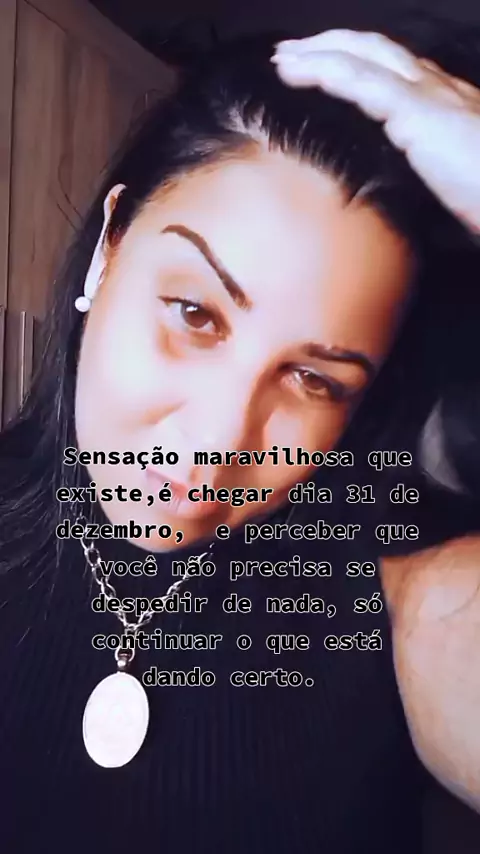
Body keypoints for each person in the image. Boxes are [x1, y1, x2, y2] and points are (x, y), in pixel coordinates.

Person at [0, 13, 479, 853]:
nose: (219, 444)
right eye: (195, 314)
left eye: (314, 379)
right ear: (110, 248)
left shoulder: (411, 594)